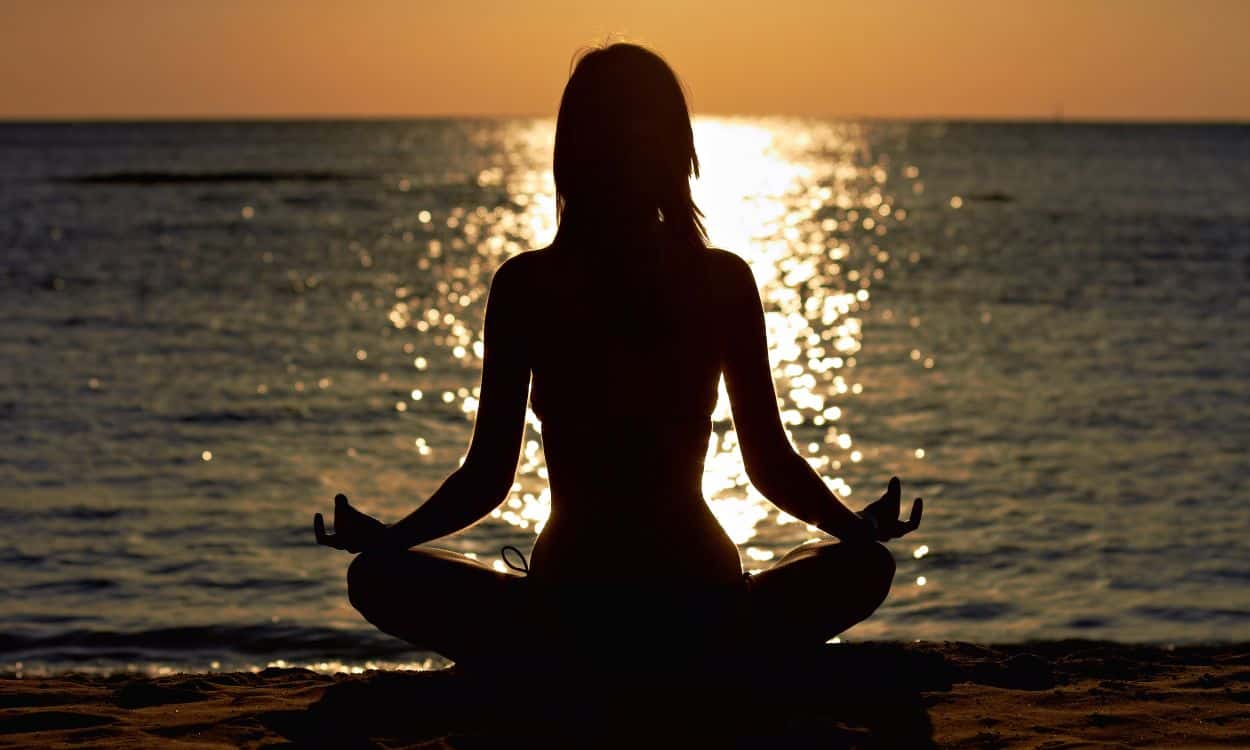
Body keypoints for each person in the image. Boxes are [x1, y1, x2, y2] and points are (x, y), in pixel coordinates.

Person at [313, 42, 921, 671]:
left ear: (570, 153)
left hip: (570, 609)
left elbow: (488, 479)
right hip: (700, 603)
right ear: (677, 152)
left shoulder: (529, 284)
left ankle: (565, 666)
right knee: (863, 567)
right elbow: (768, 463)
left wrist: (391, 541)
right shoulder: (719, 280)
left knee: (376, 577)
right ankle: (703, 662)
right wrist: (855, 530)